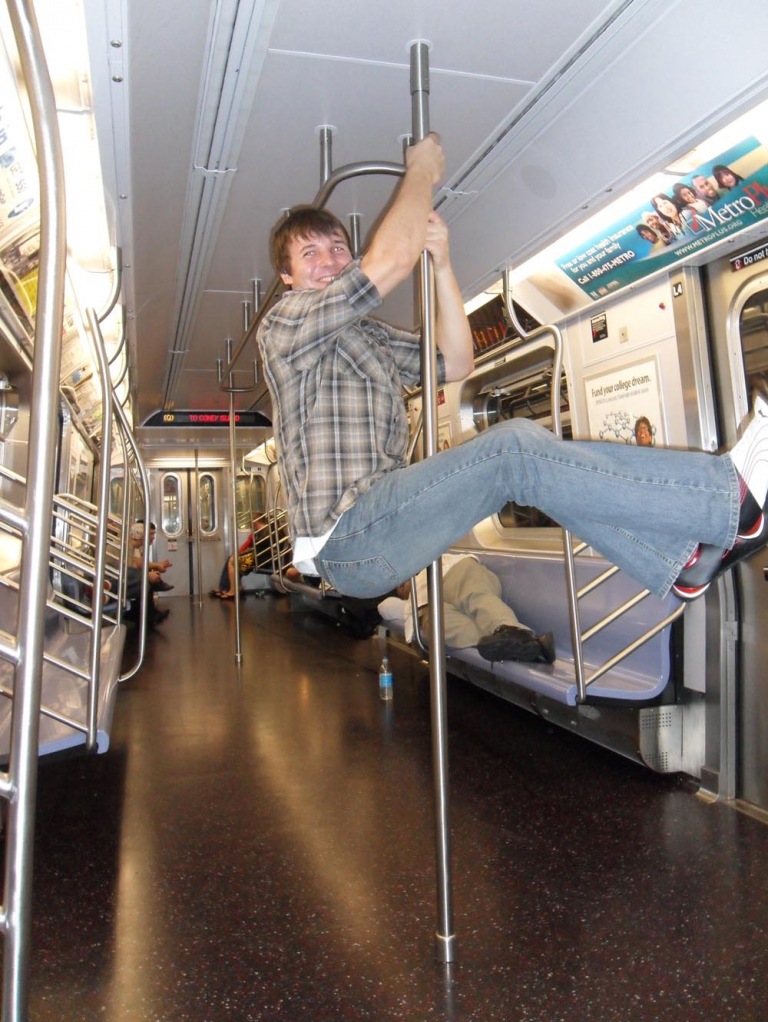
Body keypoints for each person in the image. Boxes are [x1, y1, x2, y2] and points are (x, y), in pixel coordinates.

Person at [257, 132, 768, 607]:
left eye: (338, 248)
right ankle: (727, 497)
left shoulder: (366, 336)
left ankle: (681, 561)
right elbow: (390, 261)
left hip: (377, 524)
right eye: (310, 254)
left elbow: (458, 362)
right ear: (287, 276)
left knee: (534, 464)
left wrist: (442, 264)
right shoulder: (284, 324)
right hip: (347, 534)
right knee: (512, 450)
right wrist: (421, 172)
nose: (330, 260)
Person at [378, 554, 555, 663]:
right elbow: (385, 607)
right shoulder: (416, 605)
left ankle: (512, 631)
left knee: (475, 597)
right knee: (440, 628)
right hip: (432, 602)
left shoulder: (429, 563)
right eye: (400, 590)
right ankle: (524, 646)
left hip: (453, 573)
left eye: (402, 584)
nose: (402, 588)